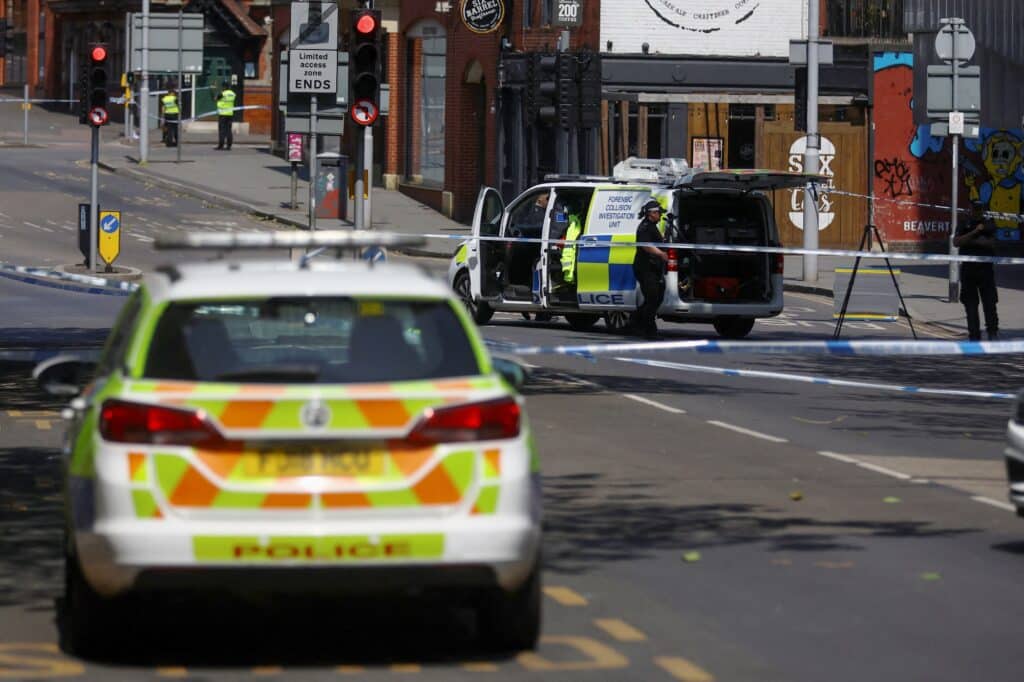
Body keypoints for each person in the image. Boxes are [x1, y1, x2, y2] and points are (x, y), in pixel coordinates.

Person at [953, 200, 1000, 341]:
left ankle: (992, 332)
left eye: (979, 209)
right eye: (975, 209)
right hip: (968, 269)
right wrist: (976, 232)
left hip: (985, 270)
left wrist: (970, 240)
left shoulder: (989, 224)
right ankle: (974, 335)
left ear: (982, 210)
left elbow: (991, 244)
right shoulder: (964, 223)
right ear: (970, 209)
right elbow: (957, 242)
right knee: (970, 305)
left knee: (990, 303)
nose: (977, 212)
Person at [633, 199, 670, 339]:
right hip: (645, 268)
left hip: (653, 268)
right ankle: (649, 330)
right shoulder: (645, 227)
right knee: (652, 298)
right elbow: (646, 245)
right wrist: (661, 254)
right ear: (650, 213)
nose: (660, 215)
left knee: (656, 298)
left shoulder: (653, 226)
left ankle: (636, 321)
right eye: (658, 212)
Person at [215, 85, 236, 151]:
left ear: (224, 87)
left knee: (222, 130)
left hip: (222, 114)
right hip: (230, 114)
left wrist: (217, 95)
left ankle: (221, 145)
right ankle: (229, 145)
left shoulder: (222, 93)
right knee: (229, 130)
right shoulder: (233, 94)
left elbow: (216, 99)